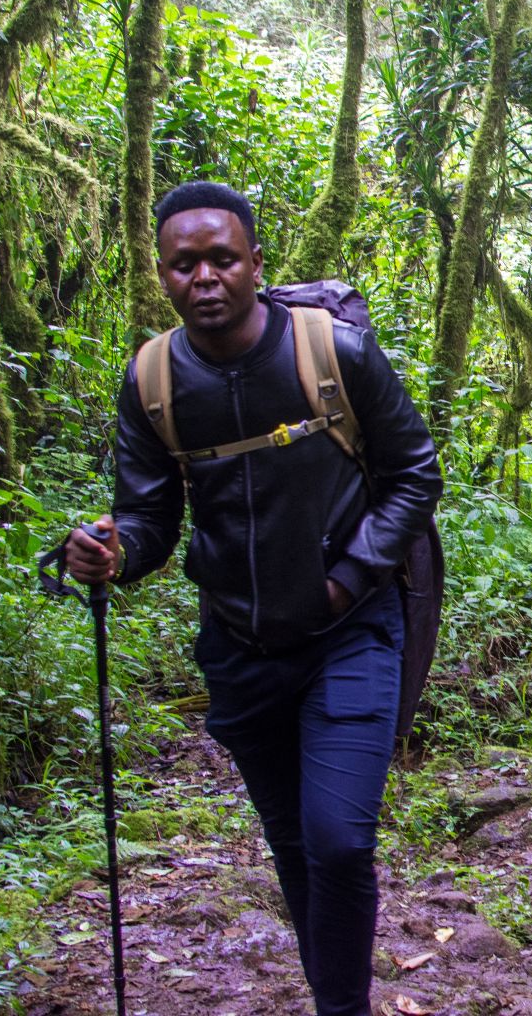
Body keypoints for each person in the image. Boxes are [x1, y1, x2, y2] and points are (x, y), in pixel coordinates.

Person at [63, 182, 442, 1015]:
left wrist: (345, 579)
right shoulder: (154, 378)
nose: (205, 277)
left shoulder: (334, 352)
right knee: (295, 845)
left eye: (222, 258)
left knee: (340, 842)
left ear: (255, 264)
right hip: (240, 649)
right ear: (163, 275)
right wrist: (110, 552)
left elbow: (416, 473)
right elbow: (150, 518)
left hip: (350, 633)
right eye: (184, 264)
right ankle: (336, 1001)